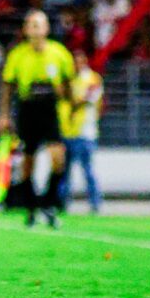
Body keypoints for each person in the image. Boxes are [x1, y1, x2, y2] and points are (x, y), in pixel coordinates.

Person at [0, 10, 74, 228]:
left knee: (58, 159)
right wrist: (4, 115)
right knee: (28, 162)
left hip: (50, 111)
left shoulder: (59, 53)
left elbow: (68, 85)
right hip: (27, 109)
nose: (35, 28)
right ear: (25, 30)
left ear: (47, 28)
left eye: (39, 24)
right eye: (31, 24)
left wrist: (65, 95)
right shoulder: (17, 55)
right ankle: (31, 208)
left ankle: (48, 204)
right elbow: (7, 86)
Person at [60, 50, 102, 213]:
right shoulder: (69, 79)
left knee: (88, 170)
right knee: (64, 171)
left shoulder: (92, 79)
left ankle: (95, 203)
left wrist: (72, 99)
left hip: (85, 131)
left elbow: (86, 99)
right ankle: (62, 203)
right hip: (67, 130)